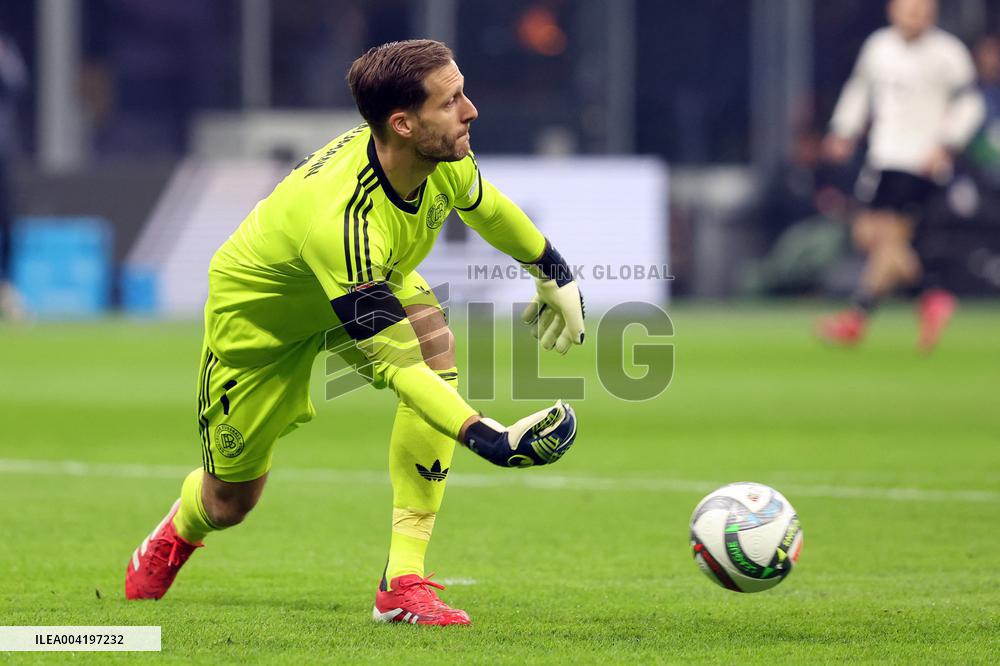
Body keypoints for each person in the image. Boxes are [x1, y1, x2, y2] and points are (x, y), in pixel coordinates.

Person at [123, 40, 585, 626]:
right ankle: (179, 530)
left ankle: (402, 584)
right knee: (231, 500)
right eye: (452, 102)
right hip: (263, 322)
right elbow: (397, 367)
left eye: (462, 92)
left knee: (434, 346)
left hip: (366, 280)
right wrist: (485, 436)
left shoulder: (441, 157)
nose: (470, 111)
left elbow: (485, 207)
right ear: (404, 123)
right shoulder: (343, 219)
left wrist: (552, 270)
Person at [817, 0, 984, 351]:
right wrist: (844, 131)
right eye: (910, 10)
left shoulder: (947, 53)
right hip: (883, 155)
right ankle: (931, 296)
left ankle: (856, 318)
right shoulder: (879, 47)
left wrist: (946, 144)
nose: (917, 18)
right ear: (893, 11)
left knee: (888, 239)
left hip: (919, 161)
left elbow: (971, 104)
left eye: (923, 11)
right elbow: (860, 91)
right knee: (872, 238)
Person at [0, 29, 27, 319]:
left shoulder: (6, 47)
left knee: (8, 223)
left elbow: (18, 82)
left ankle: (7, 287)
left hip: (3, 154)